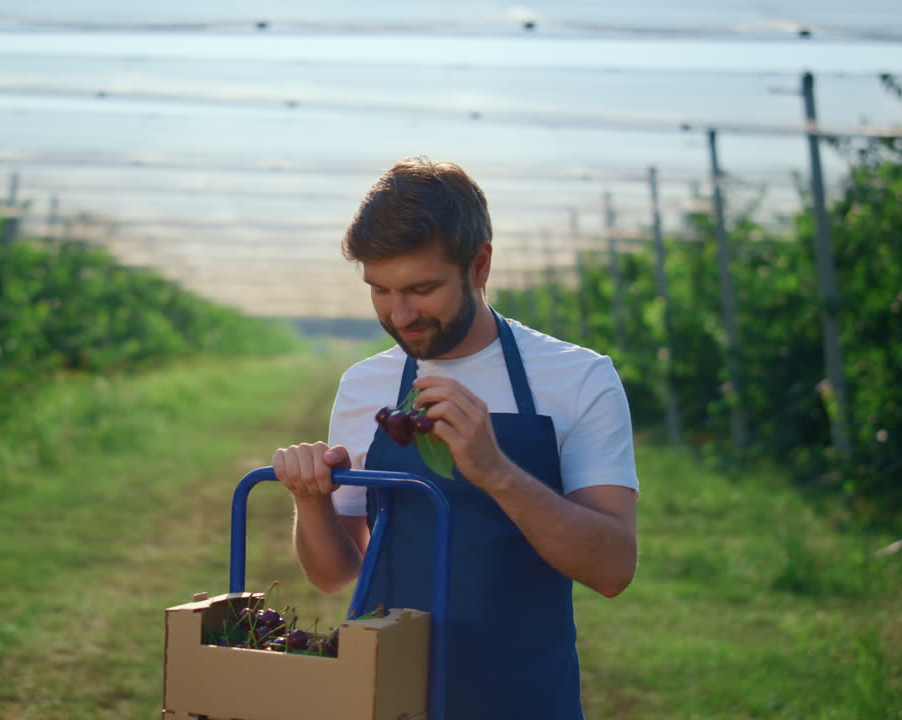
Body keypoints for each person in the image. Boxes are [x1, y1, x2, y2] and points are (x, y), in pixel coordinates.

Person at [272, 157, 639, 719]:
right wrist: (310, 499)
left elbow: (612, 568)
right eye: (380, 291)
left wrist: (496, 471)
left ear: (480, 265)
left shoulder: (577, 378)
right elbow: (337, 571)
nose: (400, 314)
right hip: (387, 694)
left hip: (521, 694)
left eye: (422, 288)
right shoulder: (365, 384)